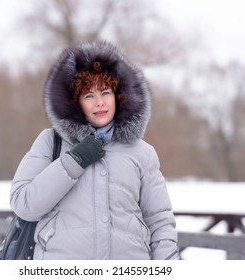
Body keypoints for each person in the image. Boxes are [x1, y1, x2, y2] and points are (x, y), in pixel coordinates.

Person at [10, 41, 179, 260]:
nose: (99, 103)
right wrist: (74, 161)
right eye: (89, 95)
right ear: (76, 103)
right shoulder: (50, 142)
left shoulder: (141, 152)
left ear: (118, 97)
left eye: (105, 93)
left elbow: (160, 221)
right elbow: (24, 204)